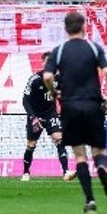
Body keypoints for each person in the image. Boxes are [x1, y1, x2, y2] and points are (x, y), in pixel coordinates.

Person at [43, 11, 107, 213]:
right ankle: (102, 167)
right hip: (93, 104)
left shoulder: (59, 51)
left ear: (66, 28)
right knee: (99, 150)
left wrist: (54, 92)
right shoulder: (93, 48)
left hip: (69, 105)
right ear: (84, 27)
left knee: (79, 156)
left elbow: (47, 76)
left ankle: (90, 200)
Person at [20, 52, 73, 181]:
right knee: (31, 144)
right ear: (43, 63)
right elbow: (25, 100)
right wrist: (33, 117)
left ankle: (66, 172)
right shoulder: (35, 79)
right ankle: (26, 173)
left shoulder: (59, 79)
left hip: (50, 113)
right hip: (36, 115)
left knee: (58, 138)